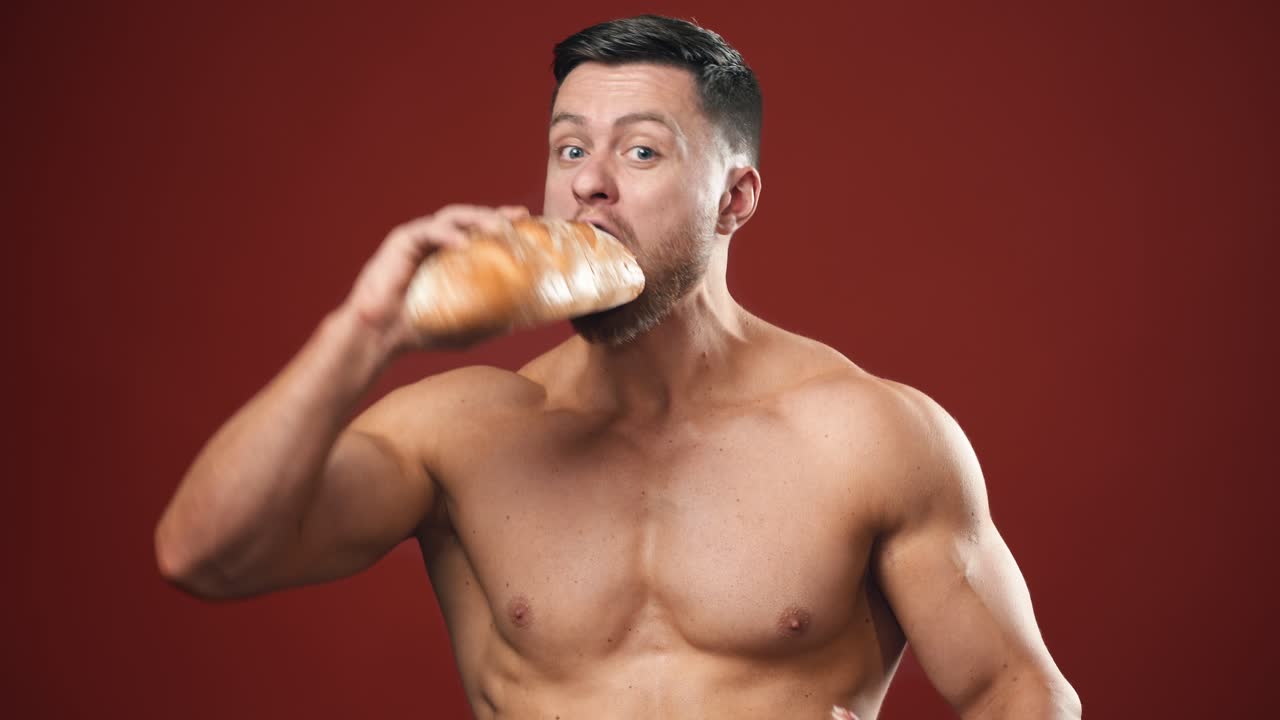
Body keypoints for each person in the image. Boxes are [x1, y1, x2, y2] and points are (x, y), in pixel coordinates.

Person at [155, 15, 1081, 720]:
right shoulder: (462, 432)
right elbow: (204, 554)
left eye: (641, 150)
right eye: (570, 148)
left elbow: (1018, 693)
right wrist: (361, 330)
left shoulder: (869, 434)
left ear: (736, 197)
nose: (590, 182)